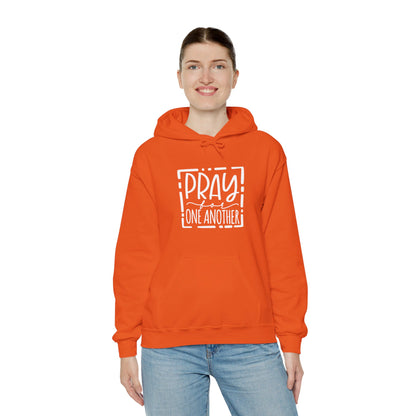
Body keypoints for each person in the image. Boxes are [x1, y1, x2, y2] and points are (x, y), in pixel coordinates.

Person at [112, 27, 308, 416]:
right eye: (194, 66)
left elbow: (282, 249)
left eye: (218, 66)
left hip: (250, 340)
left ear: (235, 76)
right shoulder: (151, 156)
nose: (206, 77)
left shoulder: (266, 151)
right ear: (179, 77)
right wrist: (126, 343)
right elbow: (135, 253)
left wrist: (291, 339)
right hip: (169, 345)